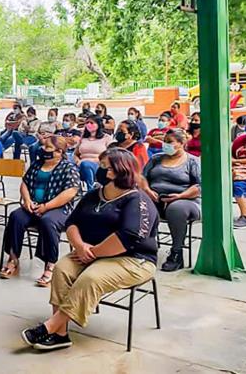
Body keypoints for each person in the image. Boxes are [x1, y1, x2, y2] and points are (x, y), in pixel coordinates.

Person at [20, 148, 158, 351]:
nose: (98, 170)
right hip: (90, 253)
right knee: (62, 269)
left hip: (133, 259)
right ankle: (60, 334)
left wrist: (92, 253)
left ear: (120, 171)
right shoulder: (94, 195)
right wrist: (80, 246)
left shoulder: (138, 200)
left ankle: (50, 326)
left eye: (104, 167)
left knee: (91, 278)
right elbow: (72, 222)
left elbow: (128, 236)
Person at [0, 135, 80, 286]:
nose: (43, 150)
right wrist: (27, 201)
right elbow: (25, 182)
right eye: (44, 146)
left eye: (48, 147)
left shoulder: (68, 168)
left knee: (47, 221)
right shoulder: (37, 164)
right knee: (16, 216)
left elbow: (71, 191)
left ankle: (50, 264)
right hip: (34, 205)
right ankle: (13, 258)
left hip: (58, 209)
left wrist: (47, 206)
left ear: (59, 151)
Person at [140, 129, 201, 271]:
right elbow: (142, 177)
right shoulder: (156, 158)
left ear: (181, 143)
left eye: (169, 142)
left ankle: (176, 253)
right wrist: (147, 190)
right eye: (164, 142)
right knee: (138, 204)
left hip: (185, 200)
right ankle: (143, 248)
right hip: (155, 197)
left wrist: (180, 196)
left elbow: (199, 186)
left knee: (176, 209)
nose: (165, 145)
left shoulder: (192, 161)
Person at [74, 115, 112, 189]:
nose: (88, 125)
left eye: (91, 123)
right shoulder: (83, 138)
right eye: (87, 122)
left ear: (98, 124)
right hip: (81, 164)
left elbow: (109, 154)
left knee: (86, 165)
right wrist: (77, 161)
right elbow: (75, 154)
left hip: (98, 165)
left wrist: (94, 161)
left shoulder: (106, 138)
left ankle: (89, 189)